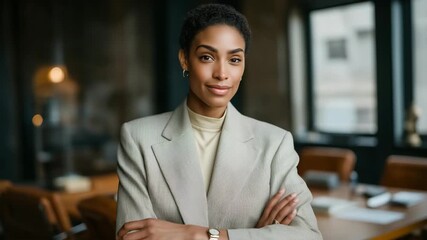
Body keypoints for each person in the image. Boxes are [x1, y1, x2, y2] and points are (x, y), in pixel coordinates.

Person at [116, 3, 322, 240]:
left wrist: (207, 236)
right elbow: (132, 237)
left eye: (234, 60)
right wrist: (256, 234)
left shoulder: (275, 143)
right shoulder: (137, 137)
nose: (222, 73)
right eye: (207, 57)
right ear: (185, 59)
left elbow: (308, 235)